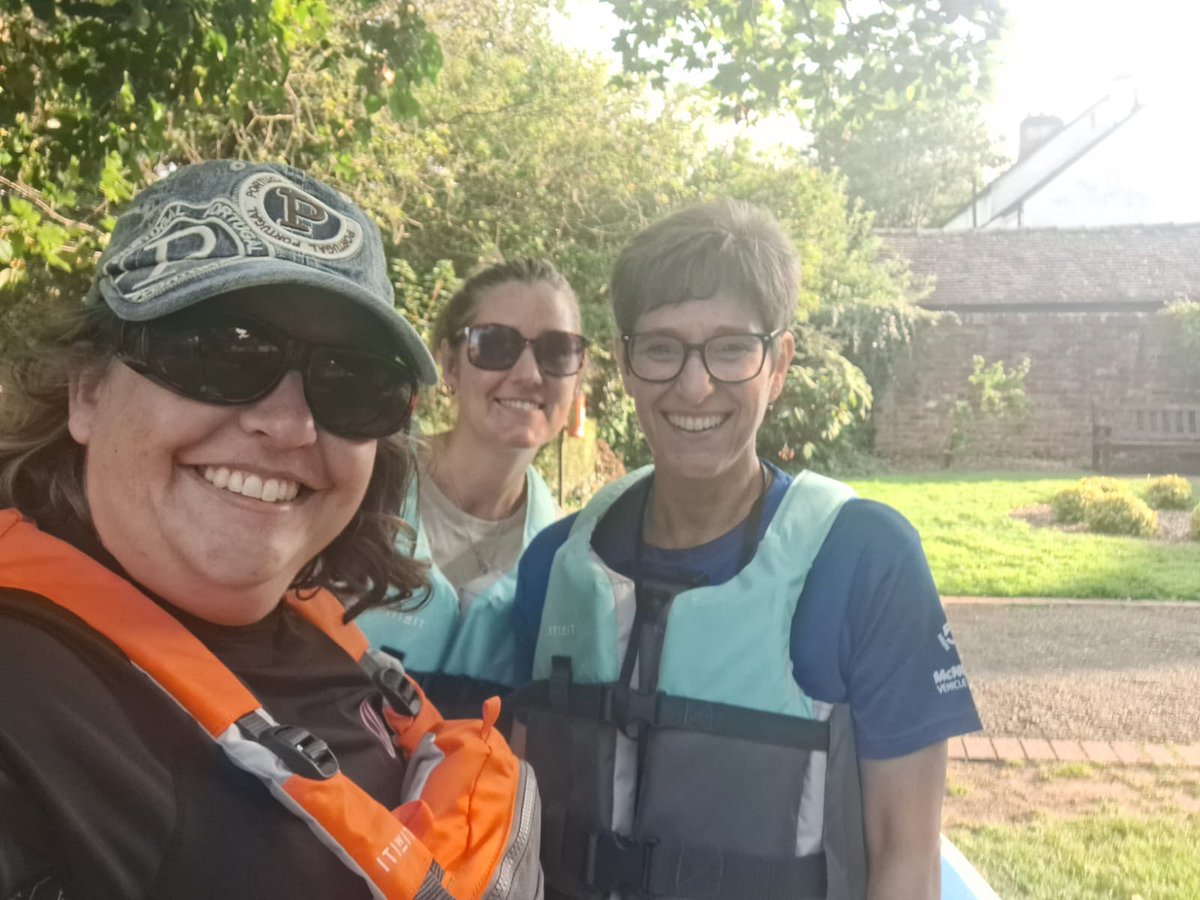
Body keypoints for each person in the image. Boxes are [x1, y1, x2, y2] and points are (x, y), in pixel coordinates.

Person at [0, 160, 541, 900]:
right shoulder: (23, 709)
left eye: (352, 382)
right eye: (219, 353)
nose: (289, 425)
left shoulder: (331, 642)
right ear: (88, 391)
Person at [504, 199, 982, 900]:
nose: (694, 386)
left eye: (731, 349)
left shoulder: (864, 562)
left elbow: (906, 859)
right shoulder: (554, 564)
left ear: (778, 363)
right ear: (628, 365)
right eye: (662, 348)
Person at [357, 260, 587, 700]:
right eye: (496, 344)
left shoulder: (562, 564)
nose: (528, 374)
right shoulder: (359, 487)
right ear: (449, 364)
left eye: (557, 351)